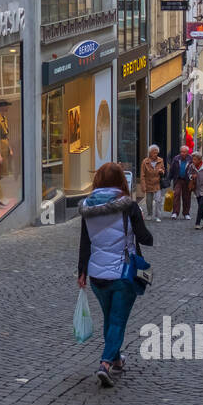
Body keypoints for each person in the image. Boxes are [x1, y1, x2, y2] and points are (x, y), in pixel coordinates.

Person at [77, 162, 154, 386]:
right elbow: (144, 237)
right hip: (122, 272)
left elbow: (85, 241)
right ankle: (105, 364)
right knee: (118, 320)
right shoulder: (128, 205)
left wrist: (81, 271)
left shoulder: (86, 206)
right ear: (121, 181)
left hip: (96, 274)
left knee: (110, 318)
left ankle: (116, 359)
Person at [139, 145, 165, 222]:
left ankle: (158, 216)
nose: (156, 154)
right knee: (149, 201)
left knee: (158, 200)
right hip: (148, 183)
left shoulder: (160, 160)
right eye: (154, 153)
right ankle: (149, 214)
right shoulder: (145, 162)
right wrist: (143, 186)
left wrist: (162, 171)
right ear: (150, 153)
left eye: (157, 153)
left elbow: (163, 170)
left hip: (157, 184)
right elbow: (142, 175)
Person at [168, 145, 194, 220]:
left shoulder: (191, 159)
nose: (182, 153)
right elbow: (172, 169)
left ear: (187, 152)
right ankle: (175, 212)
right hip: (178, 179)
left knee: (187, 197)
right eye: (181, 152)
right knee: (176, 194)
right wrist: (169, 179)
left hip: (187, 180)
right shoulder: (176, 158)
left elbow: (193, 169)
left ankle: (186, 213)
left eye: (184, 152)